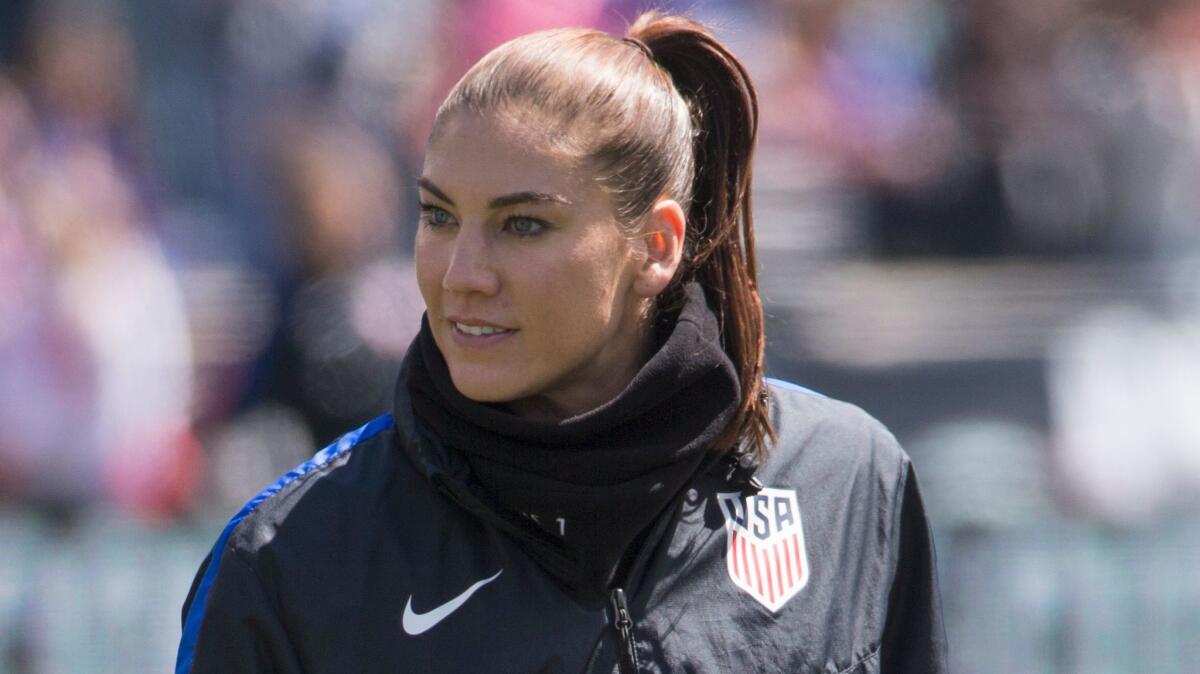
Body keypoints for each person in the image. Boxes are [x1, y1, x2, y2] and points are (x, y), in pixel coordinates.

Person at [176, 11, 946, 673]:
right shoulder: (291, 556)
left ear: (656, 246)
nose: (461, 274)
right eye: (439, 216)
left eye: (522, 225)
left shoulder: (846, 480)